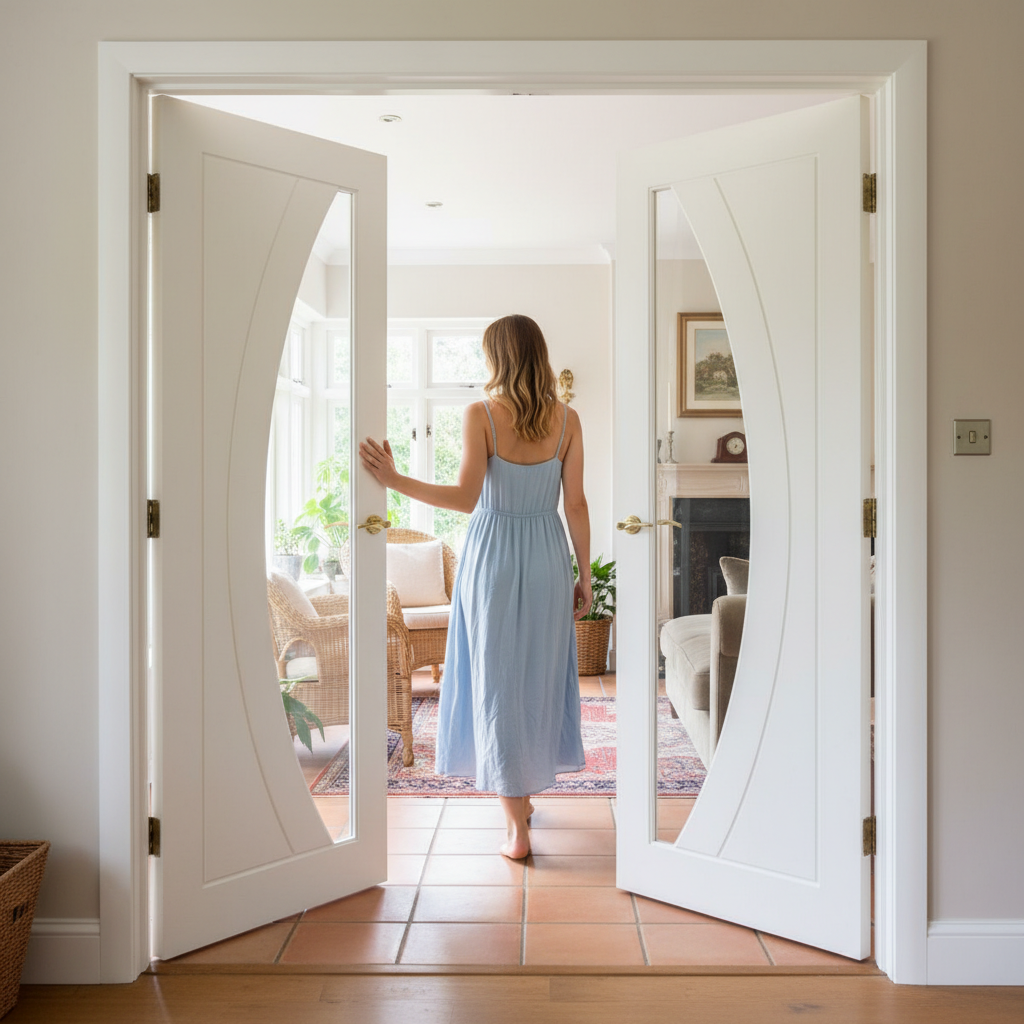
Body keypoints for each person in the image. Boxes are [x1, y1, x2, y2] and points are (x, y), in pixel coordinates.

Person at [359, 313, 592, 860]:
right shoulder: (568, 419)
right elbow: (576, 504)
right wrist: (583, 574)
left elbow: (466, 499)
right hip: (547, 555)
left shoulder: (482, 414)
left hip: (493, 560)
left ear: (497, 357)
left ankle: (516, 828)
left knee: (497, 681)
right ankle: (522, 799)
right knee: (536, 680)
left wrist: (394, 480)